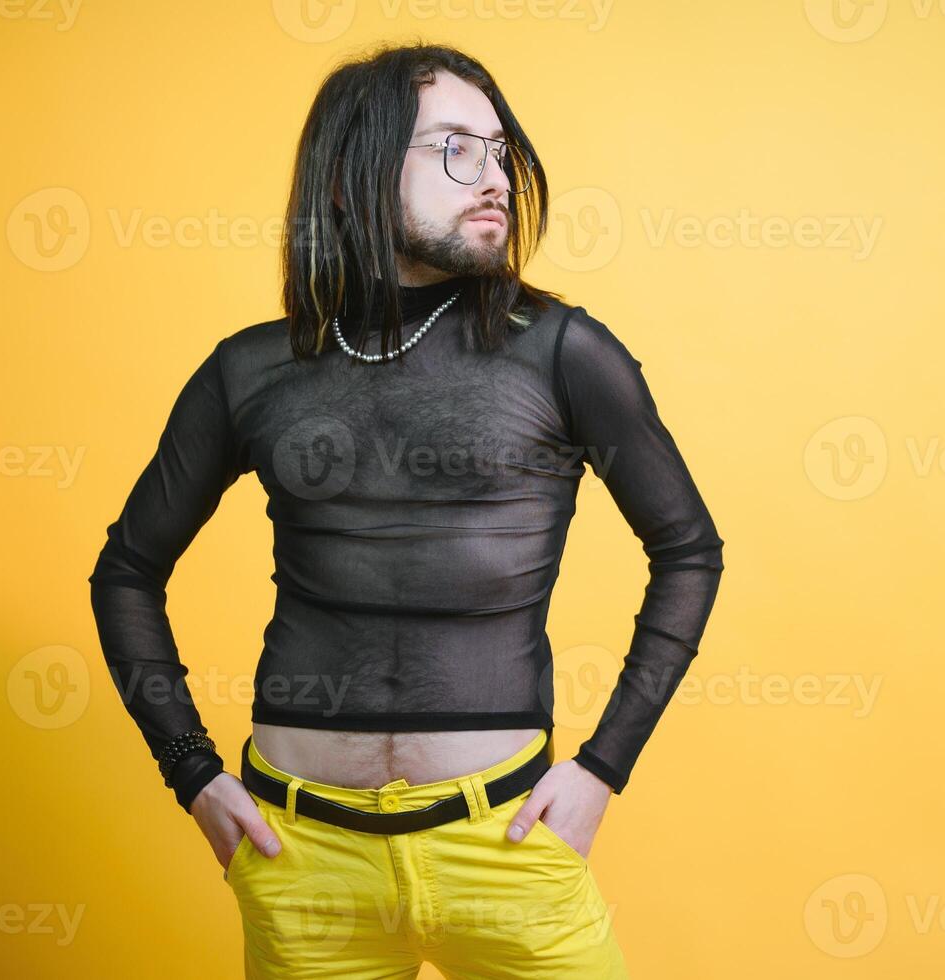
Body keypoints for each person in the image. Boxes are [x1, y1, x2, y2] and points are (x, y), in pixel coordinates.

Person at [86, 40, 725, 978]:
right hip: (298, 859)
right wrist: (190, 769)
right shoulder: (250, 369)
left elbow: (688, 550)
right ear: (352, 178)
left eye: (499, 151)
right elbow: (127, 572)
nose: (495, 177)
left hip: (503, 848)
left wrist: (601, 767)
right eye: (455, 149)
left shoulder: (562, 353)